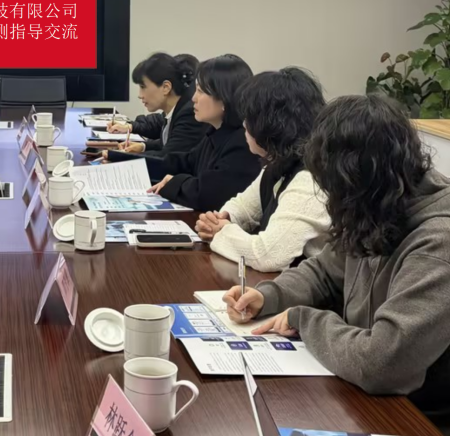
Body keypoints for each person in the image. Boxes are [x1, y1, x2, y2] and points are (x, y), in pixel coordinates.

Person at [224, 95, 450, 436]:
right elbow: (325, 271)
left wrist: (305, 320)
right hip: (392, 414)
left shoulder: (447, 246)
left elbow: (382, 363)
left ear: (365, 183)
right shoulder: (380, 209)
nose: (331, 200)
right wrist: (269, 295)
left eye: (335, 189)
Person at [196, 68, 330, 272]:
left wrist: (221, 232)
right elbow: (243, 206)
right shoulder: (279, 164)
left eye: (249, 118)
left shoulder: (310, 179)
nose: (244, 125)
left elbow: (268, 256)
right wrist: (222, 219)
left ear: (271, 125)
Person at [143, 54, 259, 212]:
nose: (193, 98)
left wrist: (175, 182)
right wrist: (129, 163)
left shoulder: (243, 142)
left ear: (224, 99)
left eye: (200, 91)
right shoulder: (216, 132)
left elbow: (208, 194)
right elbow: (184, 162)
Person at [103, 52, 207, 161]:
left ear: (166, 87)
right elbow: (166, 142)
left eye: (143, 87)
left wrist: (116, 155)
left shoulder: (189, 113)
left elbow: (167, 159)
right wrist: (143, 146)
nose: (140, 95)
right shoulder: (176, 109)